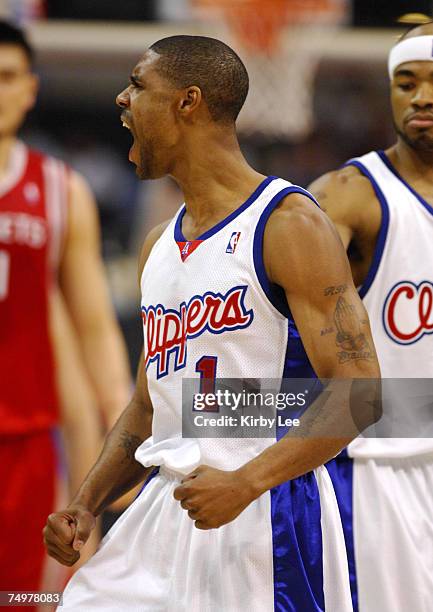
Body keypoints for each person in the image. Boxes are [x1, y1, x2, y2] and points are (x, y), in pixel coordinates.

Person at [44, 35, 380, 611]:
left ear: (188, 101)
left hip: (265, 511)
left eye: (138, 86)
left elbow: (362, 392)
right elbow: (152, 406)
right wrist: (88, 502)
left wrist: (245, 482)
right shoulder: (159, 246)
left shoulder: (289, 223)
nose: (123, 100)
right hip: (165, 507)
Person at [0, 20, 132, 597]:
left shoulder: (60, 189)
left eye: (6, 77)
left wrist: (123, 432)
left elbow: (96, 329)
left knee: (21, 596)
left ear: (30, 88)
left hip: (24, 443)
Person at [309, 21, 433, 612]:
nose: (421, 97)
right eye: (406, 83)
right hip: (382, 468)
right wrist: (204, 416)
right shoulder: (349, 194)